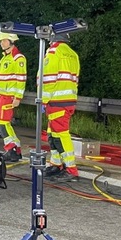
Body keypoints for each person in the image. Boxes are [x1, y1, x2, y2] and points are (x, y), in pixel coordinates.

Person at [42, 33, 81, 183]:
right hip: (68, 99)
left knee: (61, 135)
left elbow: (48, 78)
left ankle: (71, 170)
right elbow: (75, 78)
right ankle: (56, 164)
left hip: (56, 100)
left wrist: (43, 100)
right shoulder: (73, 54)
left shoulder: (53, 52)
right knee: (53, 134)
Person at [0, 32, 27, 162]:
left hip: (8, 97)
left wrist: (18, 97)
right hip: (2, 96)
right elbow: (4, 77)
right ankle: (15, 150)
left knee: (3, 124)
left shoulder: (17, 58)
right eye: (0, 41)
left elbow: (21, 78)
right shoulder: (5, 58)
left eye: (3, 41)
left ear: (11, 41)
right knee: (5, 124)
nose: (1, 43)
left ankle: (10, 148)